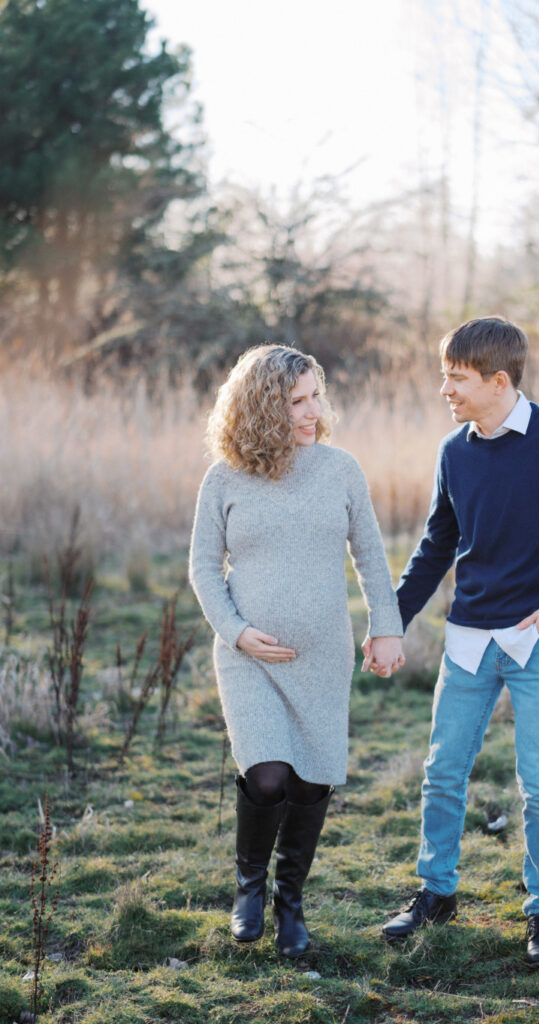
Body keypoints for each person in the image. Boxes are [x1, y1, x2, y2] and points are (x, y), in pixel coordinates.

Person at [372, 317, 539, 967]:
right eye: (443, 376)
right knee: (442, 772)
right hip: (466, 640)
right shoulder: (453, 451)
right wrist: (390, 621)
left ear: (498, 381)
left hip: (536, 642)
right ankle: (435, 891)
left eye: (455, 379)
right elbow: (436, 546)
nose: (445, 390)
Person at [189, 344, 404, 957]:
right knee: (266, 776)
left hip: (322, 658)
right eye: (297, 401)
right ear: (261, 408)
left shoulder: (340, 470)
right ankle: (248, 887)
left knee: (310, 784)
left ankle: (292, 903)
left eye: (316, 396)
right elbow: (204, 568)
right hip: (248, 656)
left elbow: (369, 555)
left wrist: (385, 626)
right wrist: (234, 630)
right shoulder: (224, 478)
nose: (314, 411)